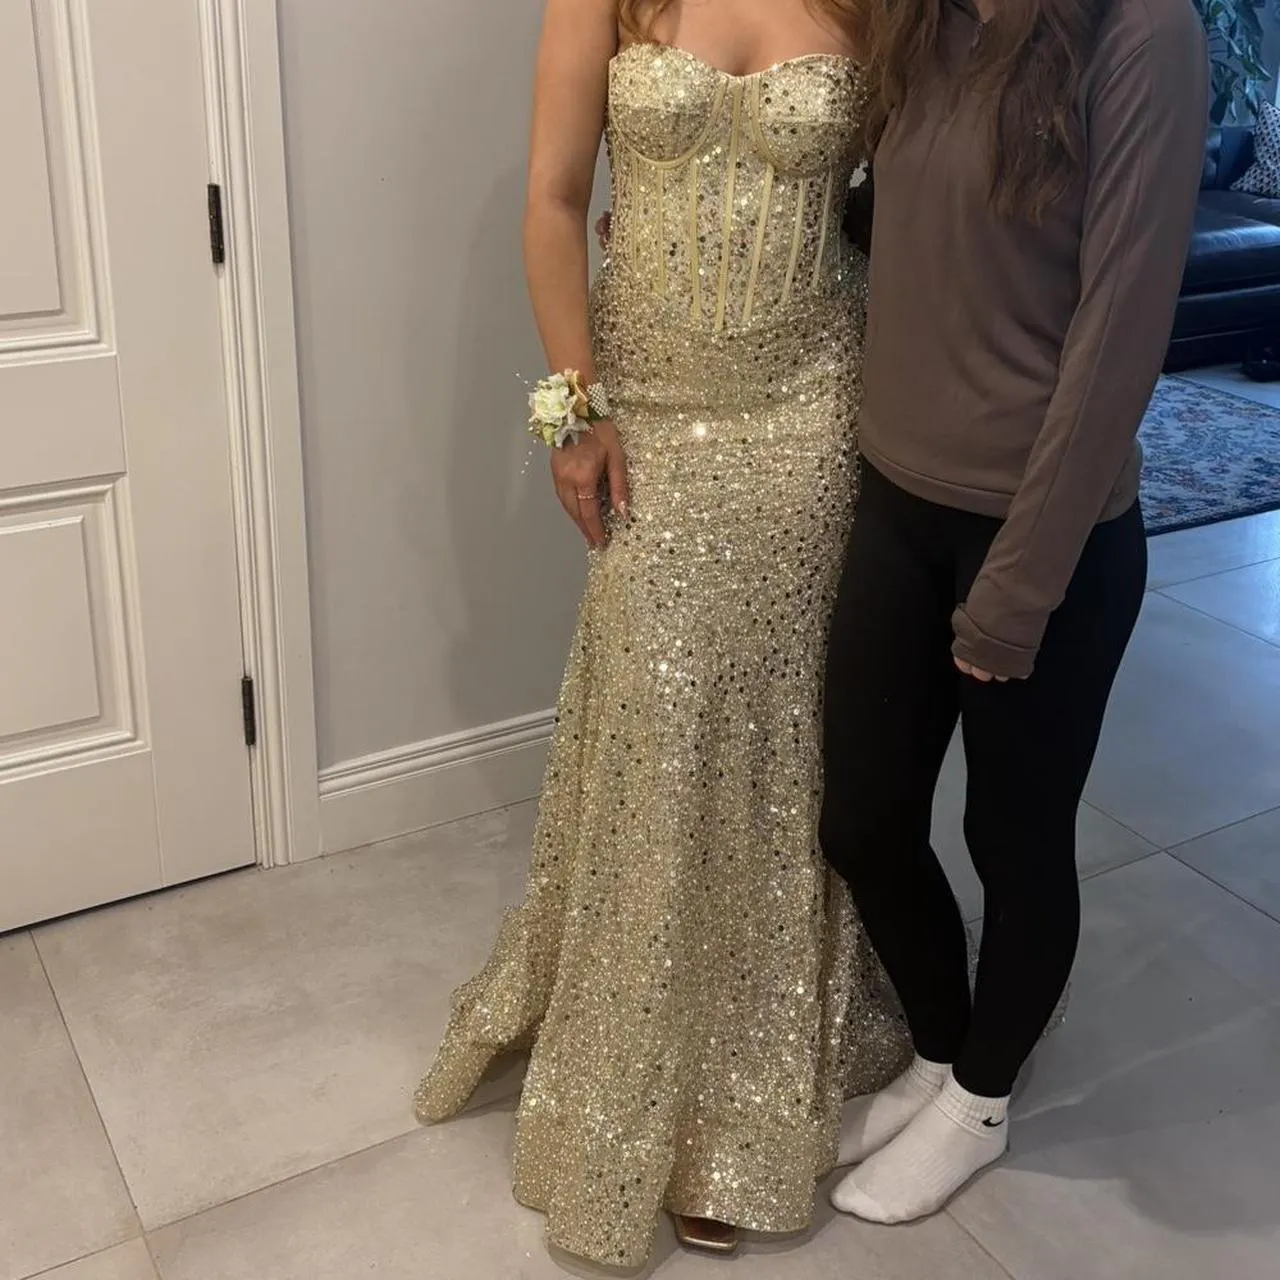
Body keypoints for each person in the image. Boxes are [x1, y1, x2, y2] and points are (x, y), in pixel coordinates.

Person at [416, 0, 913, 1265]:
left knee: (778, 739)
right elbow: (551, 199)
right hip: (648, 406)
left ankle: (739, 1100)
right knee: (658, 727)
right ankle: (631, 1068)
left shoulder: (870, 5)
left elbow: (919, 197)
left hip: (809, 405)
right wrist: (569, 414)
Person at [820, 0, 1208, 1224]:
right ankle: (943, 1048)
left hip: (1043, 529)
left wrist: (1019, 587)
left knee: (1013, 836)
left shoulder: (1140, 32)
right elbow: (888, 227)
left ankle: (979, 1099)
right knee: (862, 819)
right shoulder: (922, 21)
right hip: (894, 499)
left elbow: (1120, 328)